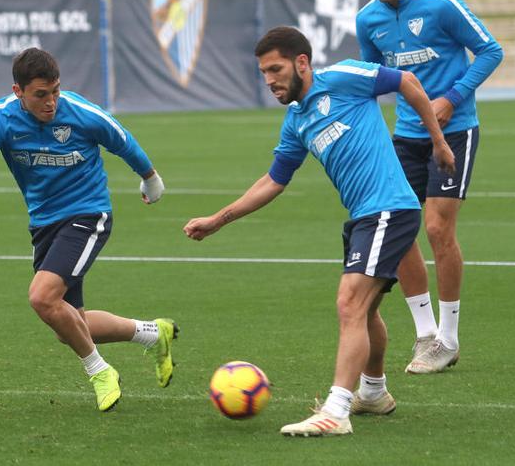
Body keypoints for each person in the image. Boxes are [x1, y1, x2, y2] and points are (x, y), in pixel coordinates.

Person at [184, 27, 455, 436]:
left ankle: (337, 410)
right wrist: (218, 220)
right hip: (363, 217)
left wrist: (437, 141)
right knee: (365, 312)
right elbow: (273, 181)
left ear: (302, 63)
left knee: (349, 303)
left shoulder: (345, 77)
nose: (269, 80)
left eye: (275, 69)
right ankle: (374, 392)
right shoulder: (296, 121)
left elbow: (408, 82)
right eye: (263, 73)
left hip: (390, 209)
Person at [0, 47, 177, 412]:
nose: (51, 102)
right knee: (71, 326)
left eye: (55, 91)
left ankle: (99, 371)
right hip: (44, 223)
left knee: (42, 298)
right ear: (18, 92)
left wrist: (150, 179)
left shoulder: (79, 113)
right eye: (40, 95)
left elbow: (122, 140)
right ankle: (153, 334)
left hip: (88, 214)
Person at [357, 0, 503, 374]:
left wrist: (452, 100)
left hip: (455, 130)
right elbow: (373, 79)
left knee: (438, 229)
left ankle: (449, 339)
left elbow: (490, 51)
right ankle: (426, 335)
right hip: (405, 135)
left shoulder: (442, 5)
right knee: (402, 226)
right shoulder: (367, 19)